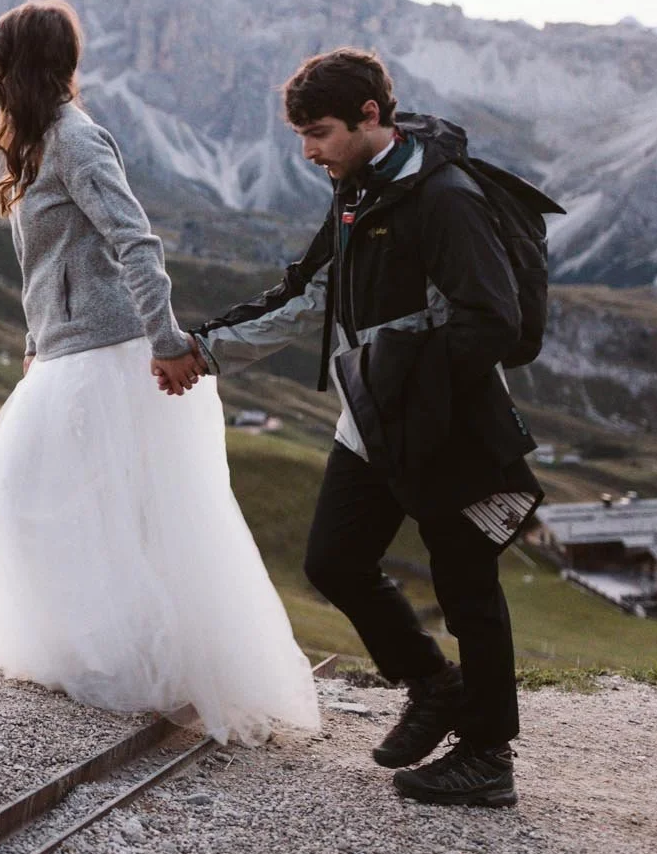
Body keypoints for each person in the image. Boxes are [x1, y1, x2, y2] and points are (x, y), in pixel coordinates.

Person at [163, 47, 543, 808]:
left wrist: (408, 377)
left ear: (373, 117)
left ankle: (488, 757)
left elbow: (494, 320)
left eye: (321, 132)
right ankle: (434, 684)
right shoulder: (355, 189)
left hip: (445, 420)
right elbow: (309, 296)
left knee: (467, 585)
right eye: (300, 134)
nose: (308, 151)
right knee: (335, 561)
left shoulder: (446, 200)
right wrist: (202, 349)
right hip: (373, 418)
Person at [0, 0, 319, 745]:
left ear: (24, 65)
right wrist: (37, 339)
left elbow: (137, 243)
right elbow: (47, 265)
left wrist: (165, 343)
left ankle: (136, 665)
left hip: (111, 353)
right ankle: (86, 649)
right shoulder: (35, 144)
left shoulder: (77, 140)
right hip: (63, 352)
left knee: (94, 506)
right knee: (40, 495)